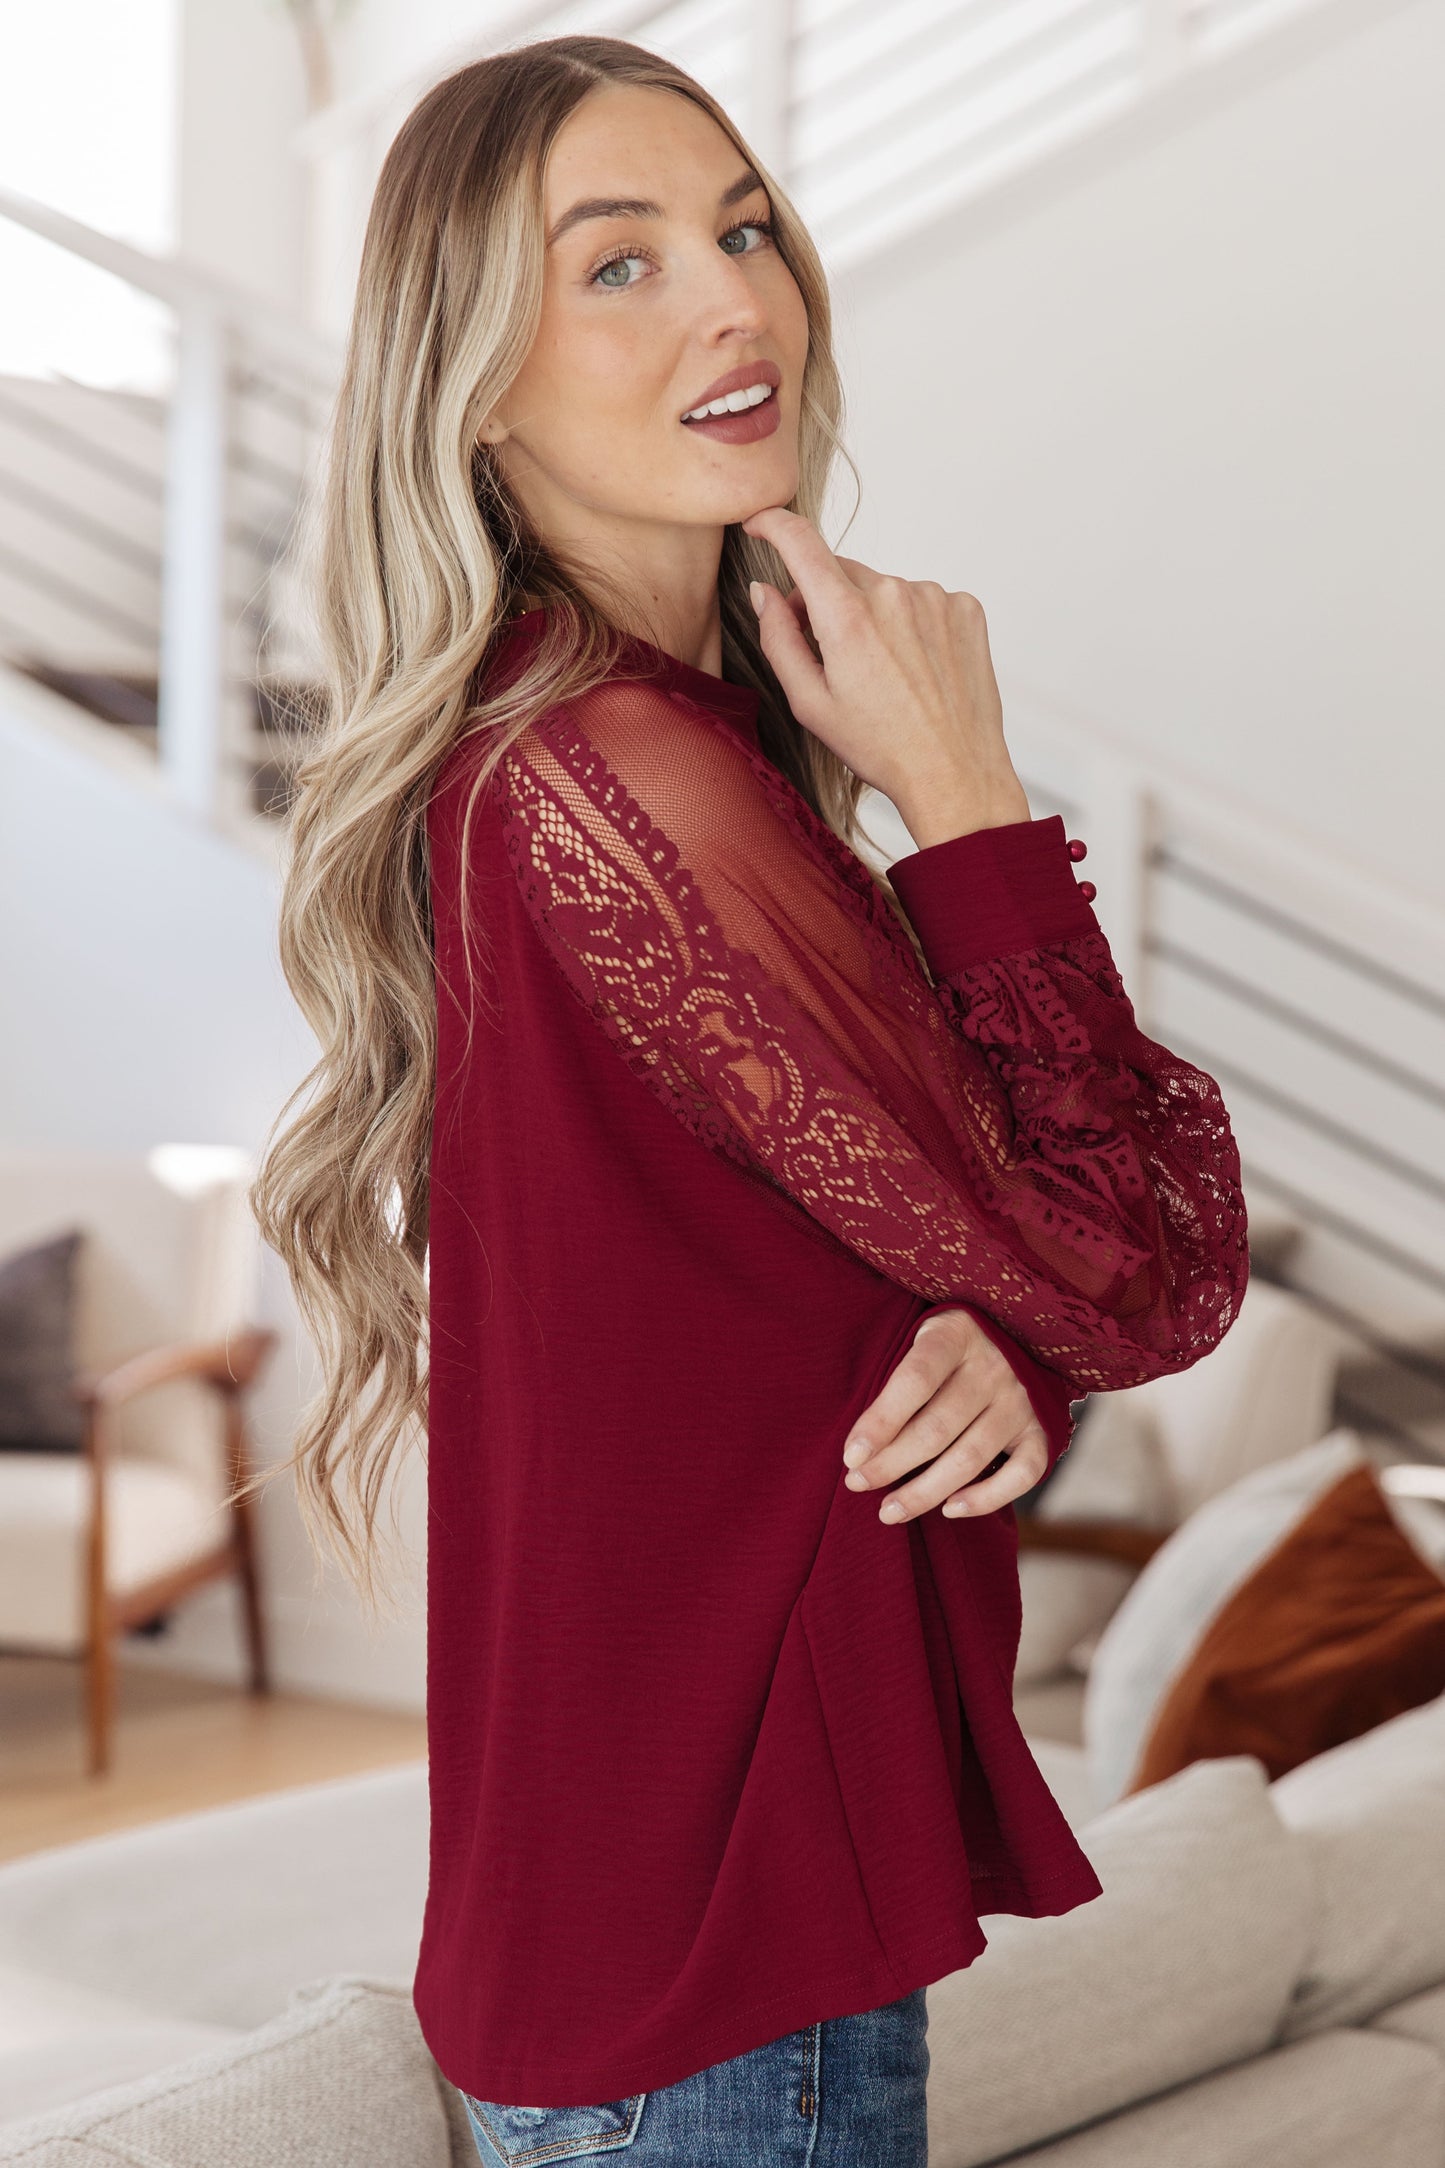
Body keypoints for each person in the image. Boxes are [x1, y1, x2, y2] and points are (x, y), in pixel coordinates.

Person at [250, 33, 1250, 2168]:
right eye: (618, 263)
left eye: (744, 231)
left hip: (654, 1950)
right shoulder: (621, 780)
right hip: (710, 1982)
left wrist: (994, 1341)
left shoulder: (597, 744)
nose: (735, 301)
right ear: (475, 381)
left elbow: (907, 1272)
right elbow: (1148, 1263)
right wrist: (970, 795)